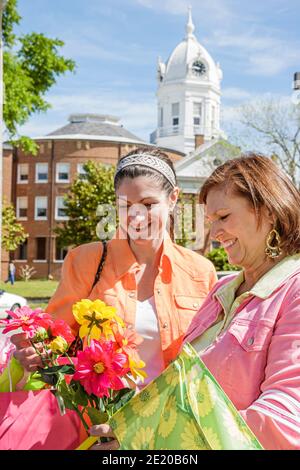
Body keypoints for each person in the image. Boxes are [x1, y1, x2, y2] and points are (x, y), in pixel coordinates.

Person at [90, 153, 300, 450]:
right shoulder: (223, 289)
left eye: (224, 217)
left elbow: (284, 418)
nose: (214, 233)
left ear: (268, 211)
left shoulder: (293, 291)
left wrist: (150, 443)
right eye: (211, 221)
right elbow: (177, 389)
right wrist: (132, 427)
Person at [11, 147, 217, 386]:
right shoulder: (85, 261)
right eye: (125, 205)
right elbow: (54, 339)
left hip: (172, 417)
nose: (136, 217)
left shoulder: (201, 272)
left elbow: (211, 356)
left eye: (148, 204)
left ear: (173, 199)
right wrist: (36, 352)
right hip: (98, 419)